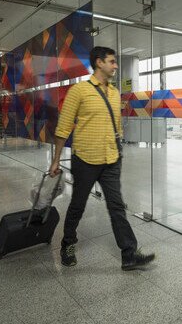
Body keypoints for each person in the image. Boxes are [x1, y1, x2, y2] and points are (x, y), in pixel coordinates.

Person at [48, 46, 155, 271]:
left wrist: (119, 148)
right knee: (78, 205)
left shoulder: (115, 93)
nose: (116, 65)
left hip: (111, 159)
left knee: (116, 205)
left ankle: (129, 254)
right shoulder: (79, 91)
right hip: (85, 159)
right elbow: (63, 127)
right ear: (99, 63)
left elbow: (116, 125)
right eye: (112, 61)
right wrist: (56, 160)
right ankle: (67, 244)